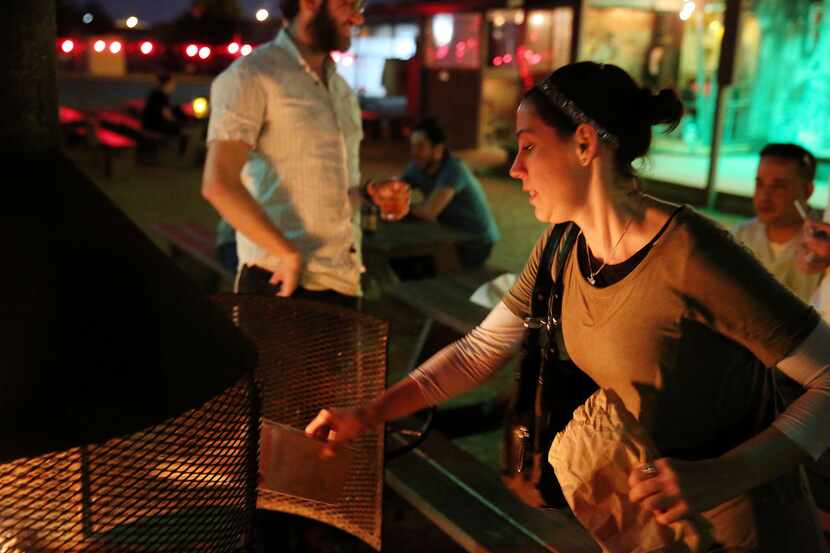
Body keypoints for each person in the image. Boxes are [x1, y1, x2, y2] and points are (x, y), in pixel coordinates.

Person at [307, 62, 830, 551]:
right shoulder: (562, 245)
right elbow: (477, 351)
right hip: (648, 533)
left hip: (745, 531)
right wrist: (369, 414)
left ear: (584, 144)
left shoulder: (695, 255)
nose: (514, 168)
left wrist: (726, 473)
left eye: (529, 147)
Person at [201, 0, 366, 310]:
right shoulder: (251, 75)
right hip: (279, 281)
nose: (358, 17)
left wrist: (370, 193)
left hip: (343, 279)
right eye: (349, 4)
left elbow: (330, 190)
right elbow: (218, 184)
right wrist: (287, 254)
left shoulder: (341, 89)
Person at [402, 117, 501, 268]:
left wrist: (396, 205)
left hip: (475, 242)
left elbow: (428, 212)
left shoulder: (454, 170)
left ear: (438, 150)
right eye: (412, 146)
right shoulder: (417, 166)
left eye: (420, 146)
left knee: (414, 266)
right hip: (449, 235)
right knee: (406, 260)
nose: (414, 152)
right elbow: (394, 190)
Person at [734, 143, 823, 302]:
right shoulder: (740, 236)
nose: (764, 196)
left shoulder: (822, 245)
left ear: (807, 191)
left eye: (778, 186)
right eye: (759, 184)